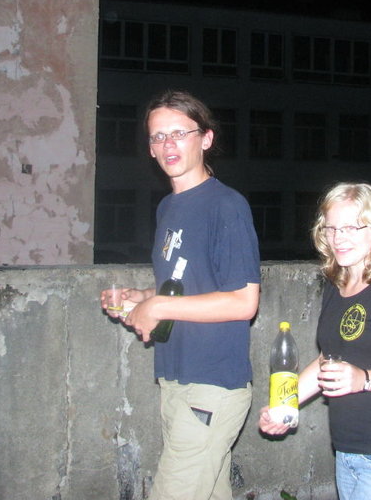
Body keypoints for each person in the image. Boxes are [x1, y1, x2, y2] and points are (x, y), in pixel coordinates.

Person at [101, 90, 261, 500]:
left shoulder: (226, 206)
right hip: (174, 376)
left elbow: (244, 301)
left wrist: (159, 305)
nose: (167, 144)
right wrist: (143, 297)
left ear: (206, 138)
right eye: (158, 136)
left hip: (212, 383)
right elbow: (187, 283)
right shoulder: (168, 208)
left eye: (178, 133)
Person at [259, 182, 371, 500]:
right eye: (331, 228)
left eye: (351, 228)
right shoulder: (336, 286)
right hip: (348, 451)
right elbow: (328, 359)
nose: (338, 238)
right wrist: (283, 405)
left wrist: (364, 379)